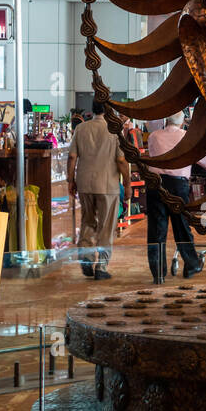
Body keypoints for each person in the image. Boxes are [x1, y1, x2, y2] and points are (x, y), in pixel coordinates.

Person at [144, 113, 206, 284]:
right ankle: (191, 264)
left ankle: (158, 273)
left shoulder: (154, 137)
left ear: (166, 121)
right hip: (178, 187)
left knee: (157, 230)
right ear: (184, 122)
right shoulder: (186, 138)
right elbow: (203, 158)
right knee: (181, 226)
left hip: (155, 186)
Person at [68, 100, 130, 280]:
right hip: (107, 185)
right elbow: (120, 160)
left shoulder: (81, 128)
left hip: (85, 184)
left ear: (92, 110)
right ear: (108, 110)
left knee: (87, 221)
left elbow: (72, 157)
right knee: (106, 226)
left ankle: (86, 260)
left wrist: (70, 180)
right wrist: (127, 183)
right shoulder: (114, 130)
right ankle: (101, 266)